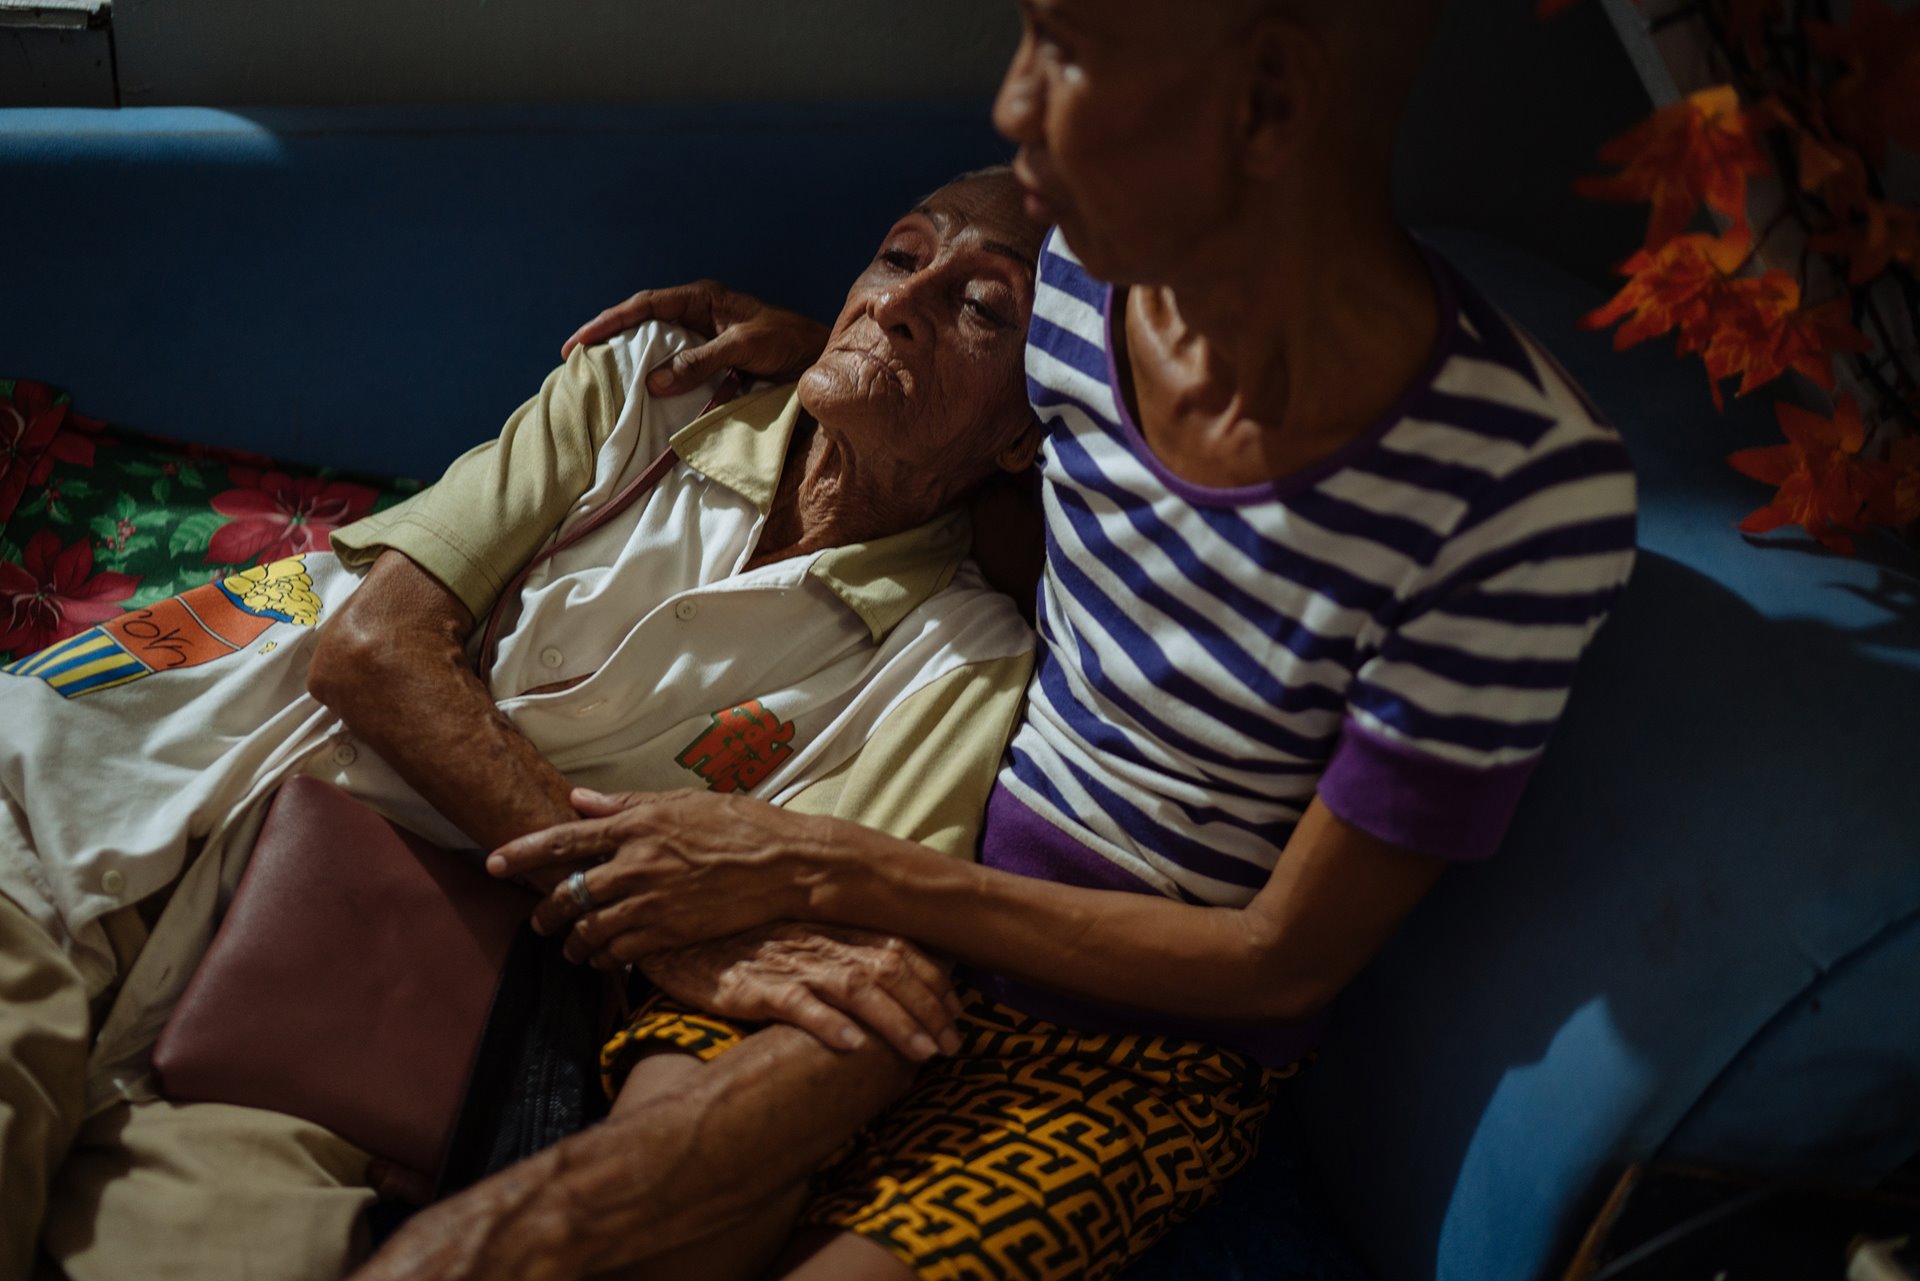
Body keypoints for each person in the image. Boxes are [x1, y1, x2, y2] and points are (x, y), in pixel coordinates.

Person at [354, 2, 1641, 1280]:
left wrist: (822, 867)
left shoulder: (1516, 495)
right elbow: (966, 408)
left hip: (1141, 1033)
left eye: (1067, 48)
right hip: (914, 871)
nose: (1014, 103)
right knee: (671, 1197)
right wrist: (829, 347)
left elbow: (1276, 962)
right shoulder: (1084, 281)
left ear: (1270, 102)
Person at [0, 168, 1047, 1281]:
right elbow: (374, 652)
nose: (898, 302)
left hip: (341, 995)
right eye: (897, 256)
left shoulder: (956, 653)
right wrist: (675, 930)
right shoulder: (655, 386)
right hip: (99, 791)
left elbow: (844, 967)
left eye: (982, 306)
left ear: (1033, 432)